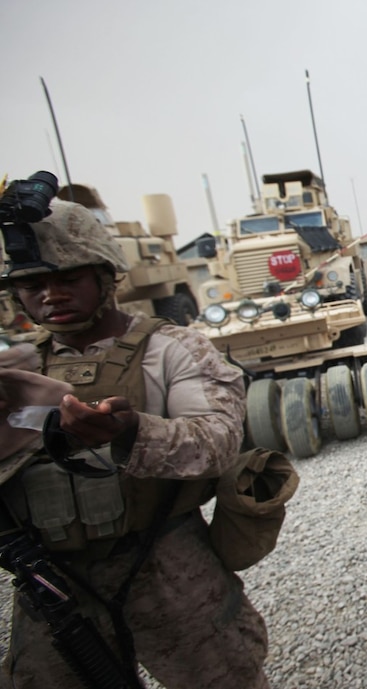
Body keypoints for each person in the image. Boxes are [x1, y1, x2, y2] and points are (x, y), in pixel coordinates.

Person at [0, 199, 269, 688]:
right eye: (33, 285)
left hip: (163, 561)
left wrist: (134, 433)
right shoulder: (15, 368)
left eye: (68, 279)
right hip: (49, 574)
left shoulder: (171, 349)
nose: (51, 296)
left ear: (106, 277)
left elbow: (219, 442)